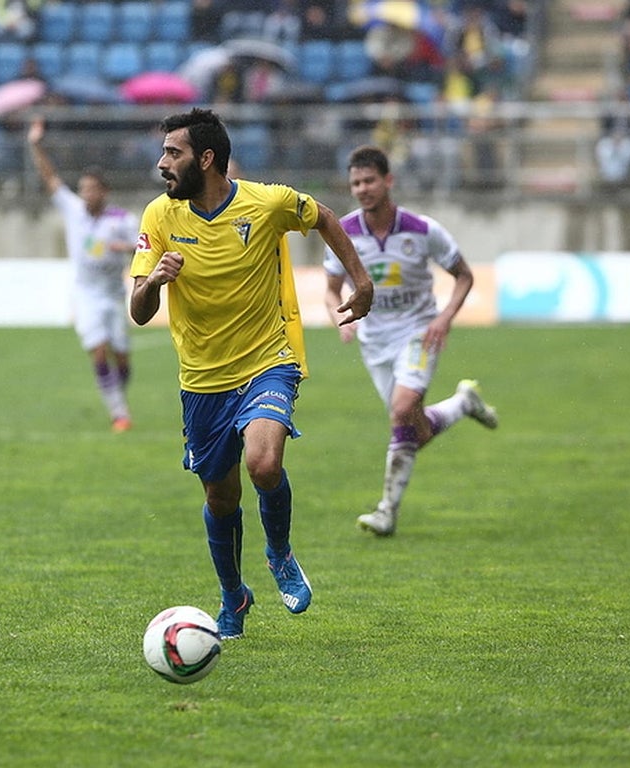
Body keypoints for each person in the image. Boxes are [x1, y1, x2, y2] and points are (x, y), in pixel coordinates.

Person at [129, 108, 374, 639]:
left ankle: (281, 553)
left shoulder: (266, 203)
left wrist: (362, 281)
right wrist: (156, 282)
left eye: (173, 153)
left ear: (207, 158)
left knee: (263, 465)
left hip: (268, 361)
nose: (162, 164)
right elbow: (138, 310)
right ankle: (232, 596)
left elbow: (325, 216)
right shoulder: (159, 217)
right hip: (202, 380)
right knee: (221, 498)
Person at [323, 145, 498, 538]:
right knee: (413, 430)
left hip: (417, 332)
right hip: (374, 340)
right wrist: (340, 318)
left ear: (388, 181)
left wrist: (443, 318)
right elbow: (331, 289)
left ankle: (386, 511)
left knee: (401, 411)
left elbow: (464, 275)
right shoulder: (344, 231)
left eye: (369, 180)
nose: (363, 189)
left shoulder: (423, 230)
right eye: (356, 183)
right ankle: (462, 403)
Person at [29, 116, 139, 433]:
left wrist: (126, 248)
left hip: (114, 295)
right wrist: (35, 144)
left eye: (92, 188)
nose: (87, 193)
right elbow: (50, 178)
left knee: (122, 359)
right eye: (83, 188)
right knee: (99, 350)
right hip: (87, 294)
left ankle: (118, 398)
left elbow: (142, 248)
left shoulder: (122, 218)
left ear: (105, 191)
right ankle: (119, 412)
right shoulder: (73, 210)